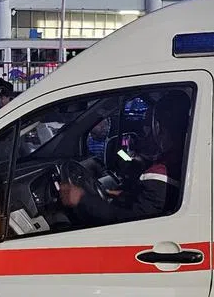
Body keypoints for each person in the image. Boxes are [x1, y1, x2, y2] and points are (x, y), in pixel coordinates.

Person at [60, 92, 191, 225]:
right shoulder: (179, 158)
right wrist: (121, 194)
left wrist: (82, 199)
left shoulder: (162, 174)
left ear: (157, 126)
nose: (145, 129)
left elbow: (129, 219)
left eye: (147, 122)